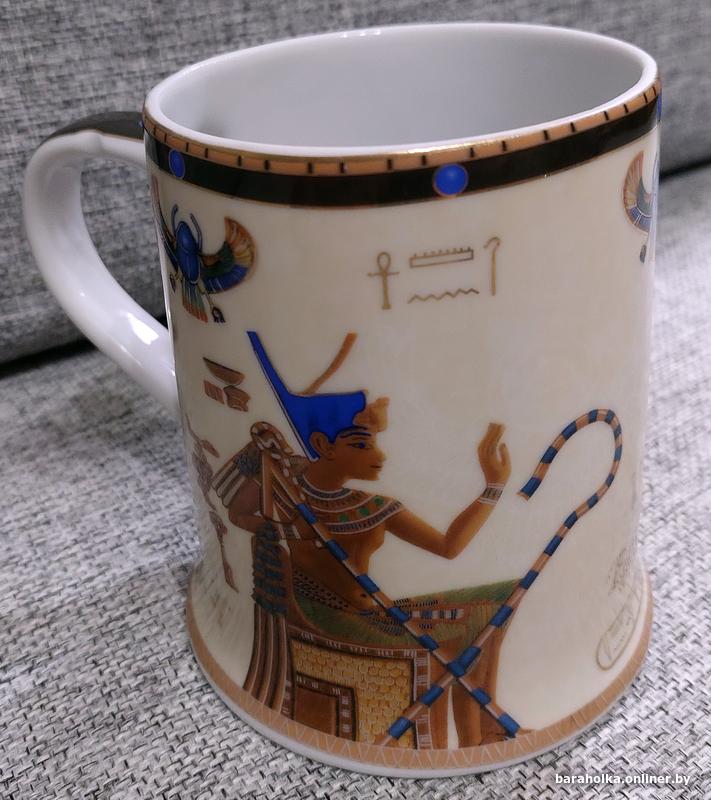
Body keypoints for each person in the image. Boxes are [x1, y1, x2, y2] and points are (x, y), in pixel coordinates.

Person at [212, 331, 514, 747]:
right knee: (476, 622)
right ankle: (476, 736)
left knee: (498, 599)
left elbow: (449, 548)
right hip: (333, 616)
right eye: (361, 443)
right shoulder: (285, 477)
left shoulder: (369, 505)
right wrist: (280, 528)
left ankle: (483, 731)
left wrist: (493, 486)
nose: (379, 455)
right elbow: (236, 511)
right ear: (322, 444)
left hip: (370, 608)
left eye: (373, 442)